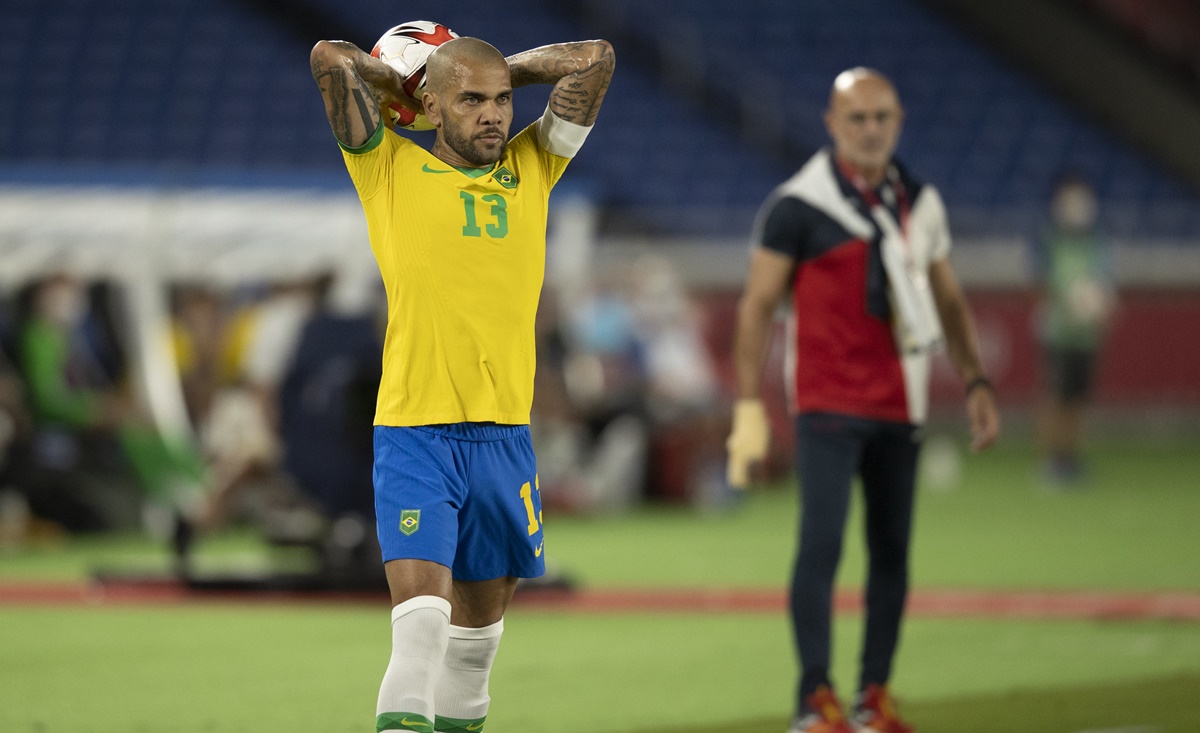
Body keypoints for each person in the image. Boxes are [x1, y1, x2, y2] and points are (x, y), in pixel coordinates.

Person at [310, 28, 614, 733]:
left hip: (504, 438)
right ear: (433, 108)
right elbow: (330, 58)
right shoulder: (386, 168)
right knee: (419, 629)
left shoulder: (535, 166)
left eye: (502, 100)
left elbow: (596, 57)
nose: (495, 114)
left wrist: (488, 69)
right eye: (471, 100)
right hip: (416, 434)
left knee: (475, 653)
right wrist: (407, 84)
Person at [725, 68, 1000, 733]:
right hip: (825, 402)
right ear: (831, 124)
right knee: (820, 546)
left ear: (900, 120)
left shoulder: (920, 202)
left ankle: (873, 694)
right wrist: (747, 410)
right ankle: (812, 699)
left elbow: (949, 298)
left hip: (898, 402)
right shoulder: (799, 204)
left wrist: (975, 379)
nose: (871, 130)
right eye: (858, 119)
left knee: (892, 551)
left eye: (882, 117)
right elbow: (757, 307)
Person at [1032, 174, 1115, 485]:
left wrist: (1100, 306)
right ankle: (1051, 461)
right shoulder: (1049, 238)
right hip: (1058, 333)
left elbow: (1106, 283)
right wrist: (1068, 300)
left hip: (1087, 335)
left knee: (1079, 399)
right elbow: (1040, 281)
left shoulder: (1097, 241)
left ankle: (1072, 459)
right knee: (1056, 397)